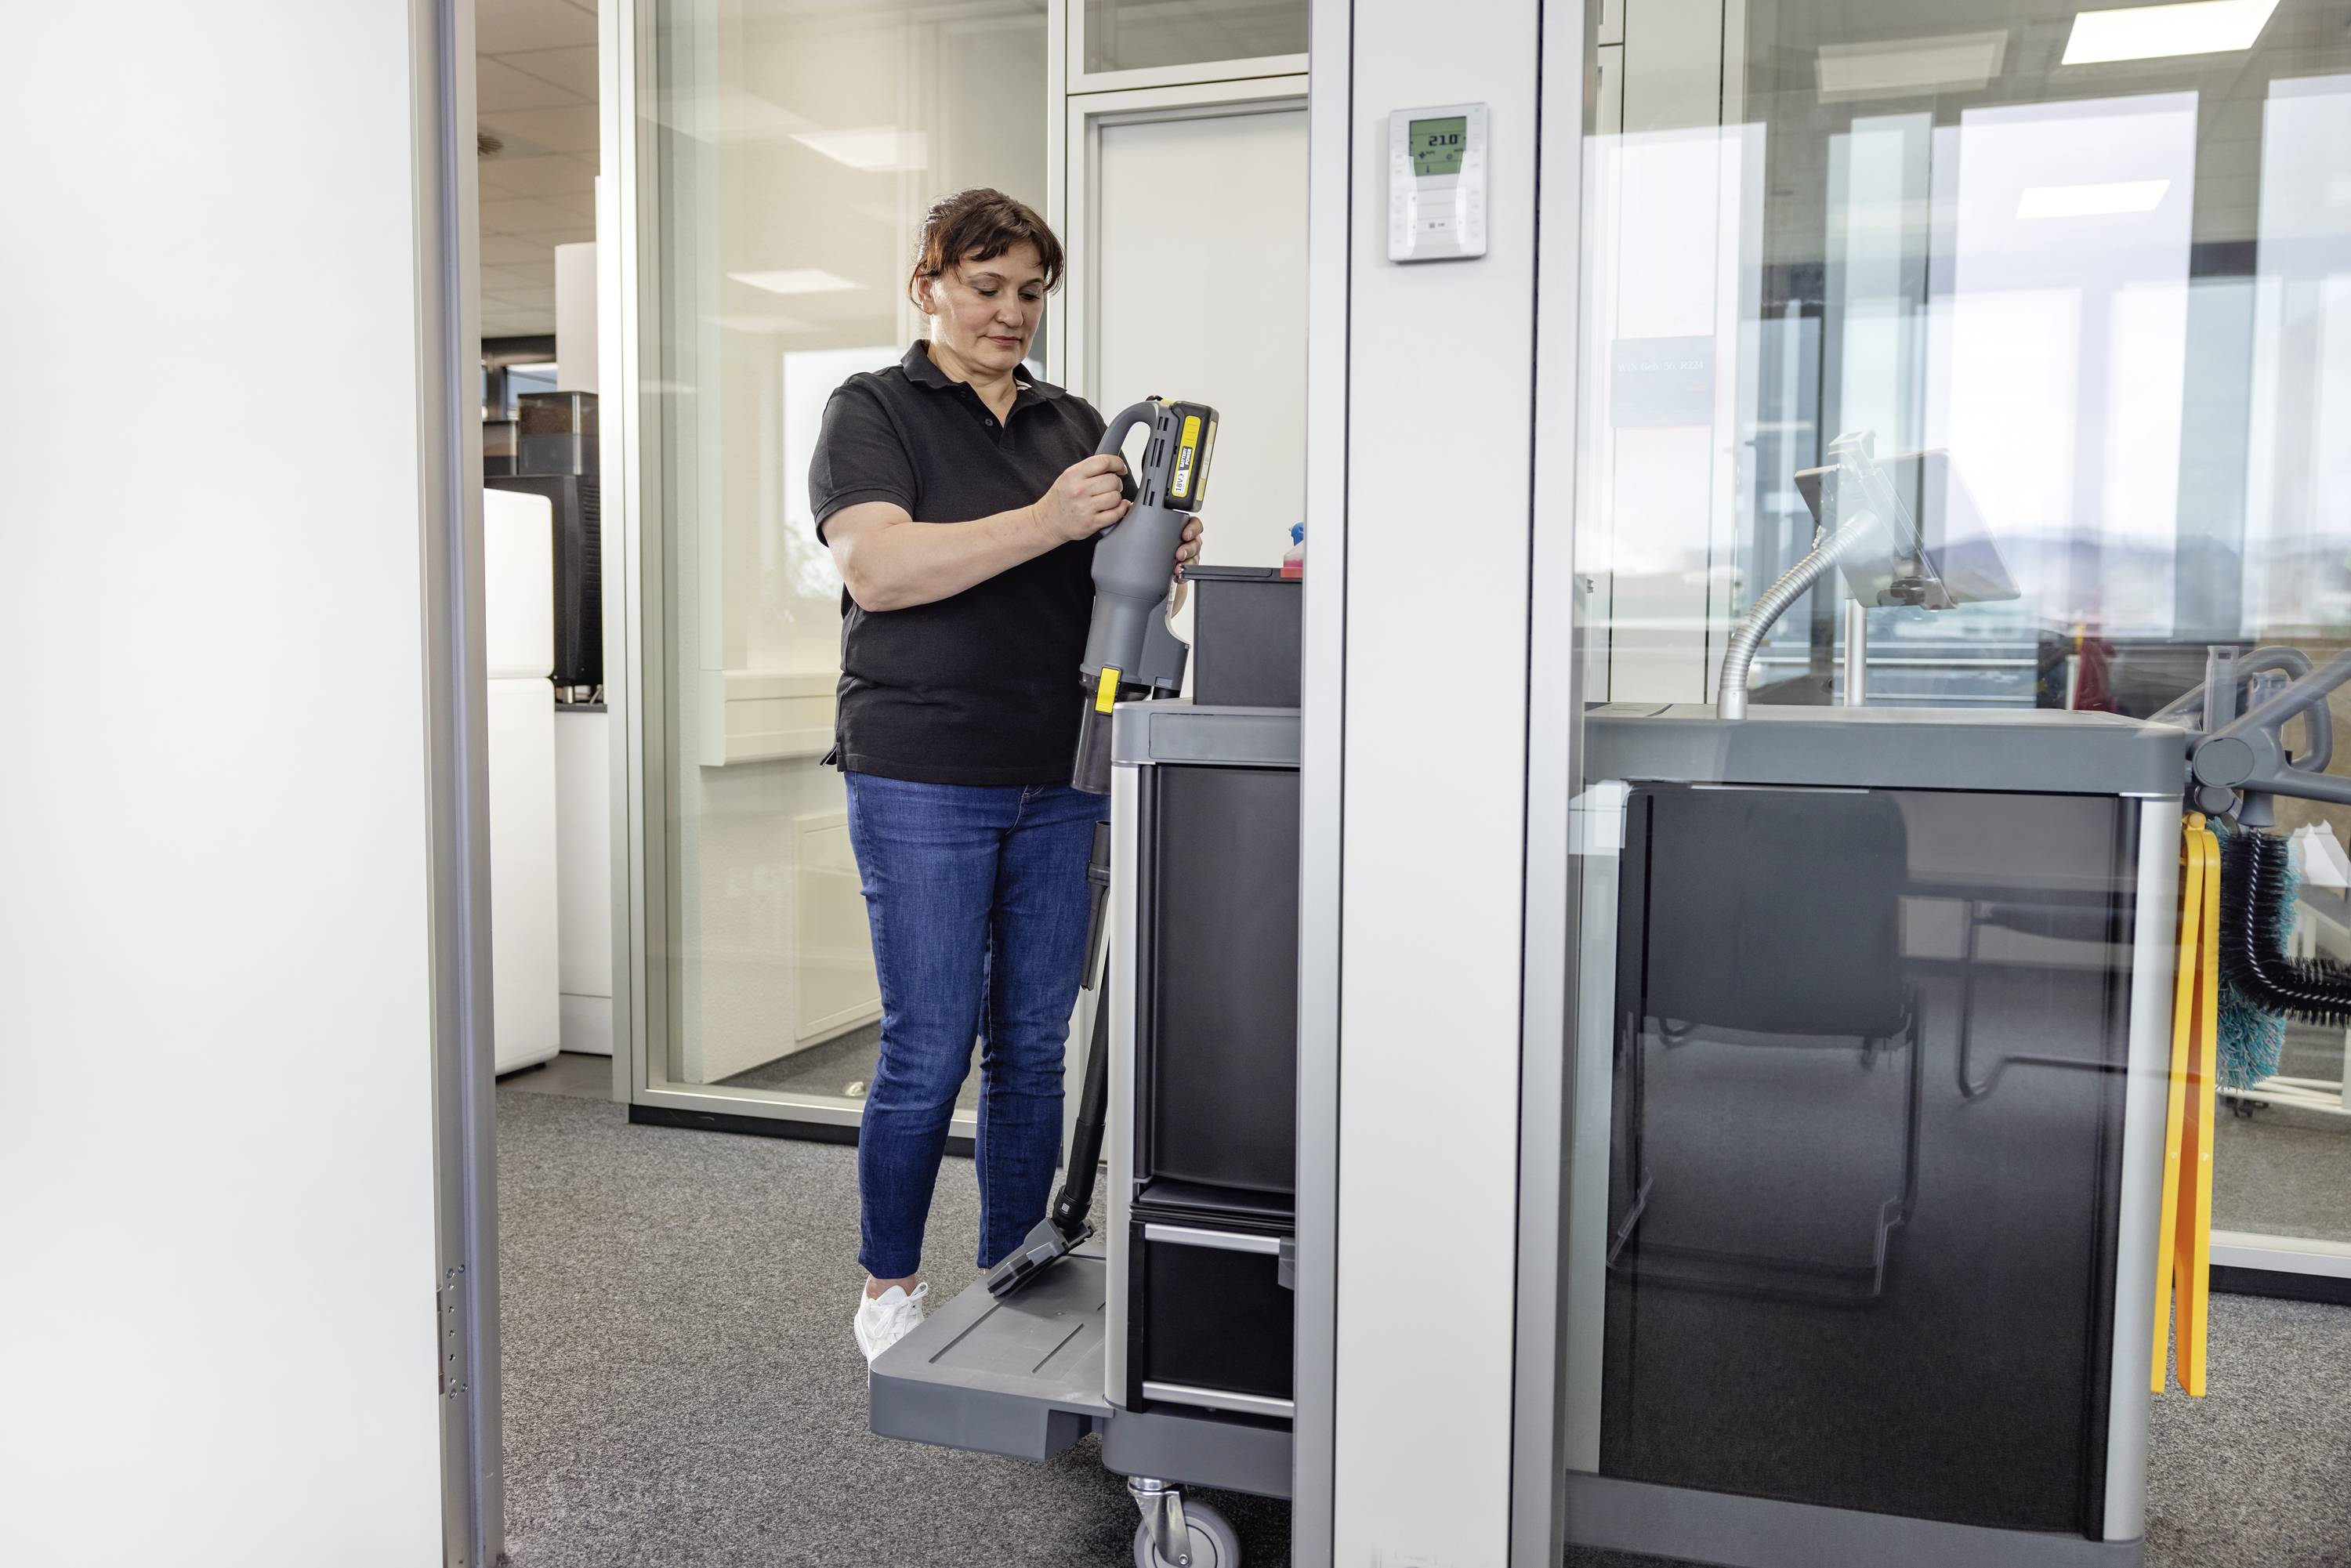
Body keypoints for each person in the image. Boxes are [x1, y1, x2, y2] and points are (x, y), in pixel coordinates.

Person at [810, 188, 1203, 1360]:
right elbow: (878, 568)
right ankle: (889, 1285)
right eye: (987, 287)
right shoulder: (873, 409)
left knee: (1033, 1043)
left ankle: (1014, 1270)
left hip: (1063, 764)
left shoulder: (1074, 422)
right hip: (924, 767)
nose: (1010, 313)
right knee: (929, 1041)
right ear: (929, 284)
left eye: (1031, 292)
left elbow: (1110, 601)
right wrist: (1047, 518)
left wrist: (1157, 560)